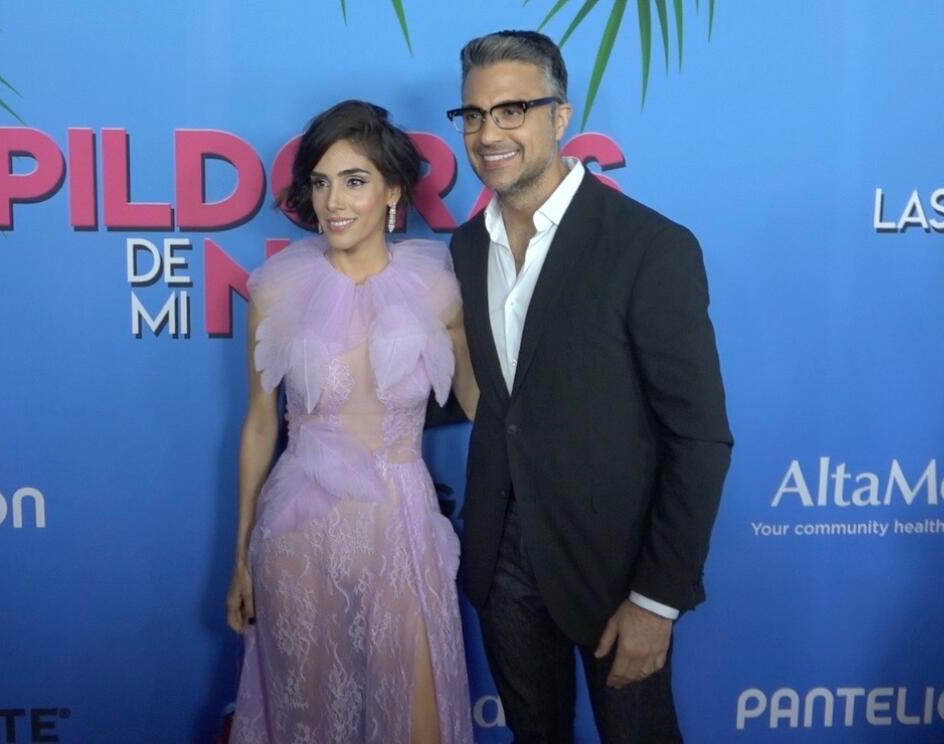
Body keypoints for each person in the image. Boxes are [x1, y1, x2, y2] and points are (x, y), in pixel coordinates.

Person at [444, 31, 733, 742]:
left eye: (512, 110)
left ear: (561, 116)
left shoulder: (649, 246)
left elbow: (697, 437)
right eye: (474, 115)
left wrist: (657, 601)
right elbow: (498, 402)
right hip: (502, 561)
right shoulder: (466, 244)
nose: (489, 133)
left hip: (616, 570)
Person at [224, 100, 478, 744]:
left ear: (393, 191)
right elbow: (260, 426)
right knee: (309, 723)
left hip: (399, 530)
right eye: (321, 181)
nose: (333, 201)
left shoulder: (441, 290)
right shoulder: (277, 291)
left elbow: (485, 408)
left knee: (415, 720)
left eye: (354, 180)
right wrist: (241, 559)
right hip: (297, 538)